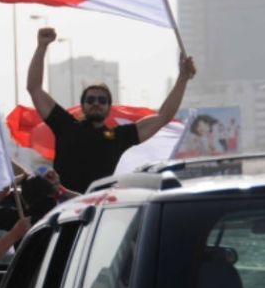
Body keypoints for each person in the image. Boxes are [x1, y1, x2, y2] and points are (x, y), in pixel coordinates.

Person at [26, 27, 197, 193]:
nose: (96, 103)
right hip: (63, 208)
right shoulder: (66, 126)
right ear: (83, 105)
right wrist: (42, 47)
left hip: (96, 211)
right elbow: (34, 88)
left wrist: (182, 79)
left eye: (102, 100)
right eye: (90, 99)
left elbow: (163, 117)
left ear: (109, 107)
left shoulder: (119, 137)